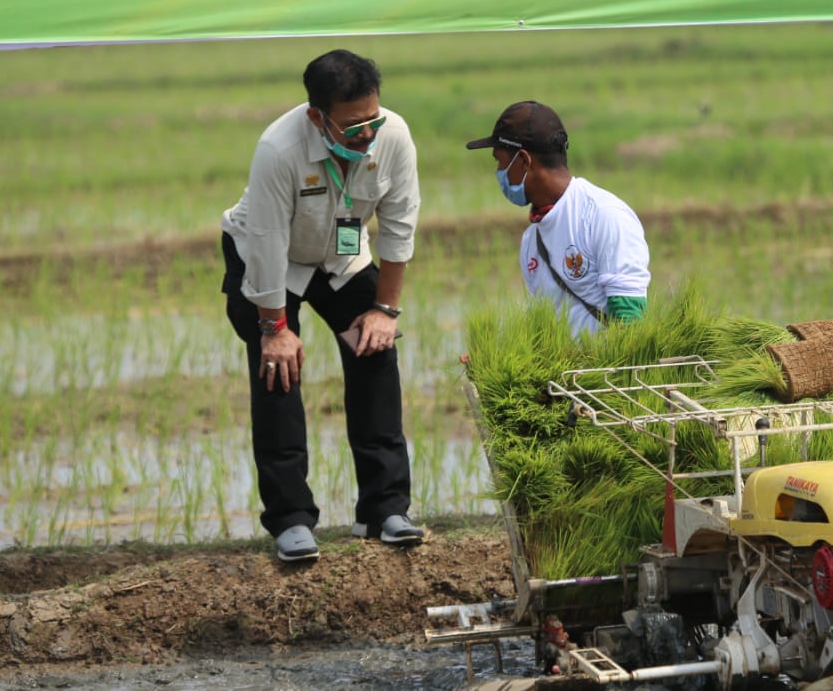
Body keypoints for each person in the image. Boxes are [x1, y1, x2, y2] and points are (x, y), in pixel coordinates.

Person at [220, 49, 425, 562]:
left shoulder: (394, 136)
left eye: (373, 119)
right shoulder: (279, 149)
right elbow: (266, 243)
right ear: (317, 117)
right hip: (269, 260)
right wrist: (274, 328)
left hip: (341, 257)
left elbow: (399, 227)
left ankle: (384, 510)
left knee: (375, 351)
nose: (367, 134)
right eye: (353, 126)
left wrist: (384, 311)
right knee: (277, 372)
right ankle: (290, 519)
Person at [466, 100, 650, 335]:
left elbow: (631, 325)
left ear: (523, 161)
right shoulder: (531, 240)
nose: (499, 172)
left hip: (606, 361)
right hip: (566, 362)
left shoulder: (605, 216)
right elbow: (545, 327)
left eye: (500, 161)